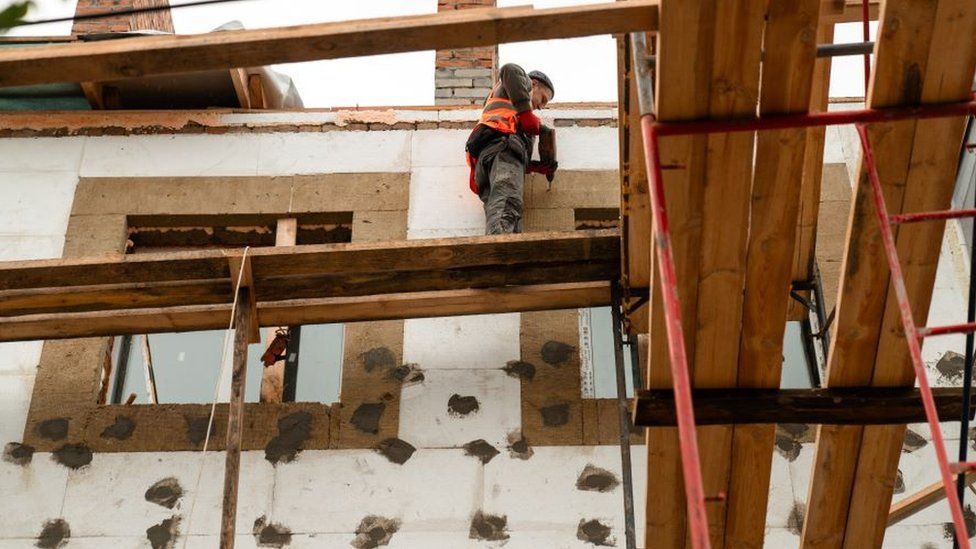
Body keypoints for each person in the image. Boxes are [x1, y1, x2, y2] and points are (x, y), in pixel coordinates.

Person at [465, 64, 557, 234]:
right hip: (501, 149)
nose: (541, 106)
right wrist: (526, 112)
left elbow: (512, 159)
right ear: (534, 84)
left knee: (501, 211)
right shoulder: (521, 85)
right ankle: (500, 251)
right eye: (543, 99)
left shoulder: (507, 102)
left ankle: (504, 251)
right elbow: (509, 69)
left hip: (488, 160)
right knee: (508, 205)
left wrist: (535, 167)